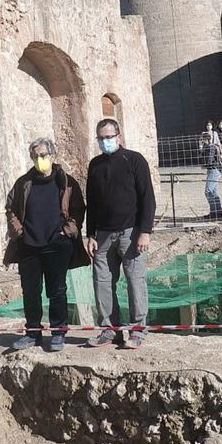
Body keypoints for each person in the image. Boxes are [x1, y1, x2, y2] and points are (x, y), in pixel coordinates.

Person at [3, 138, 86, 353]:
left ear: (53, 155)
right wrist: (19, 233)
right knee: (30, 291)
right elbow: (10, 208)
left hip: (57, 245)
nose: (40, 160)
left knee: (57, 290)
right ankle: (33, 333)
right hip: (29, 246)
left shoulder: (67, 182)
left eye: (43, 155)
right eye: (36, 156)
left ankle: (59, 333)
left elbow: (78, 209)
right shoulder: (23, 183)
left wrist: (66, 232)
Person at [85, 117, 156, 348]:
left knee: (135, 281)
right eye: (101, 138)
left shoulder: (134, 160)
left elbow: (148, 198)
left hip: (131, 233)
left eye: (109, 137)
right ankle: (109, 329)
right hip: (103, 235)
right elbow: (92, 202)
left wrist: (145, 231)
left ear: (118, 136)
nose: (105, 141)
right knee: (102, 282)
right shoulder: (94, 165)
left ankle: (138, 330)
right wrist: (90, 234)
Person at [202, 121, 222, 220]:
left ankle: (214, 213)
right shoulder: (212, 147)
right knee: (214, 192)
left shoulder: (211, 147)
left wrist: (204, 165)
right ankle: (218, 212)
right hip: (216, 169)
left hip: (213, 169)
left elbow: (209, 161)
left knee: (208, 191)